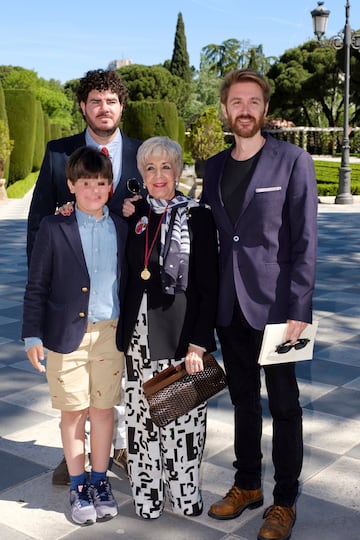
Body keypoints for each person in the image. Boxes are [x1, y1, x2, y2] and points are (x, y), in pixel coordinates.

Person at [201, 69, 318, 540]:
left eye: (253, 101)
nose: (244, 110)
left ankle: (284, 501)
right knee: (243, 401)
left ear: (264, 109)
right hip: (230, 308)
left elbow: (305, 240)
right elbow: (208, 234)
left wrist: (300, 308)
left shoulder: (293, 160)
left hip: (279, 309)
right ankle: (247, 484)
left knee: (285, 405)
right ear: (226, 110)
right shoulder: (211, 167)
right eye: (236, 102)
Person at [26, 68, 143, 483]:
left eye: (111, 100)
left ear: (121, 106)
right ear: (83, 106)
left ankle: (125, 449)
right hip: (73, 295)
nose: (103, 108)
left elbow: (160, 207)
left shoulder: (142, 152)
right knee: (79, 385)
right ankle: (79, 458)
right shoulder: (60, 154)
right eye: (95, 100)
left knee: (123, 378)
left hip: (128, 288)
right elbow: (39, 221)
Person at [22, 147, 128, 525]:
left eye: (101, 183)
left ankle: (100, 481)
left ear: (110, 186)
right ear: (71, 185)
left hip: (110, 335)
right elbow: (37, 285)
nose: (94, 190)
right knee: (73, 413)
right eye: (86, 183)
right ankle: (78, 484)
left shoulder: (121, 226)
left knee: (103, 412)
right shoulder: (55, 227)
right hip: (66, 335)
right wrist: (32, 334)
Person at [122, 136, 219, 519]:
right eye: (150, 168)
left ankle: (184, 493)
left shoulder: (199, 215)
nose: (159, 175)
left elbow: (209, 286)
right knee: (141, 421)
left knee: (183, 420)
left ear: (178, 171)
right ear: (141, 174)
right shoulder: (133, 215)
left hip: (180, 336)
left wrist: (199, 342)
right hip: (136, 335)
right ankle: (146, 496)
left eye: (166, 167)